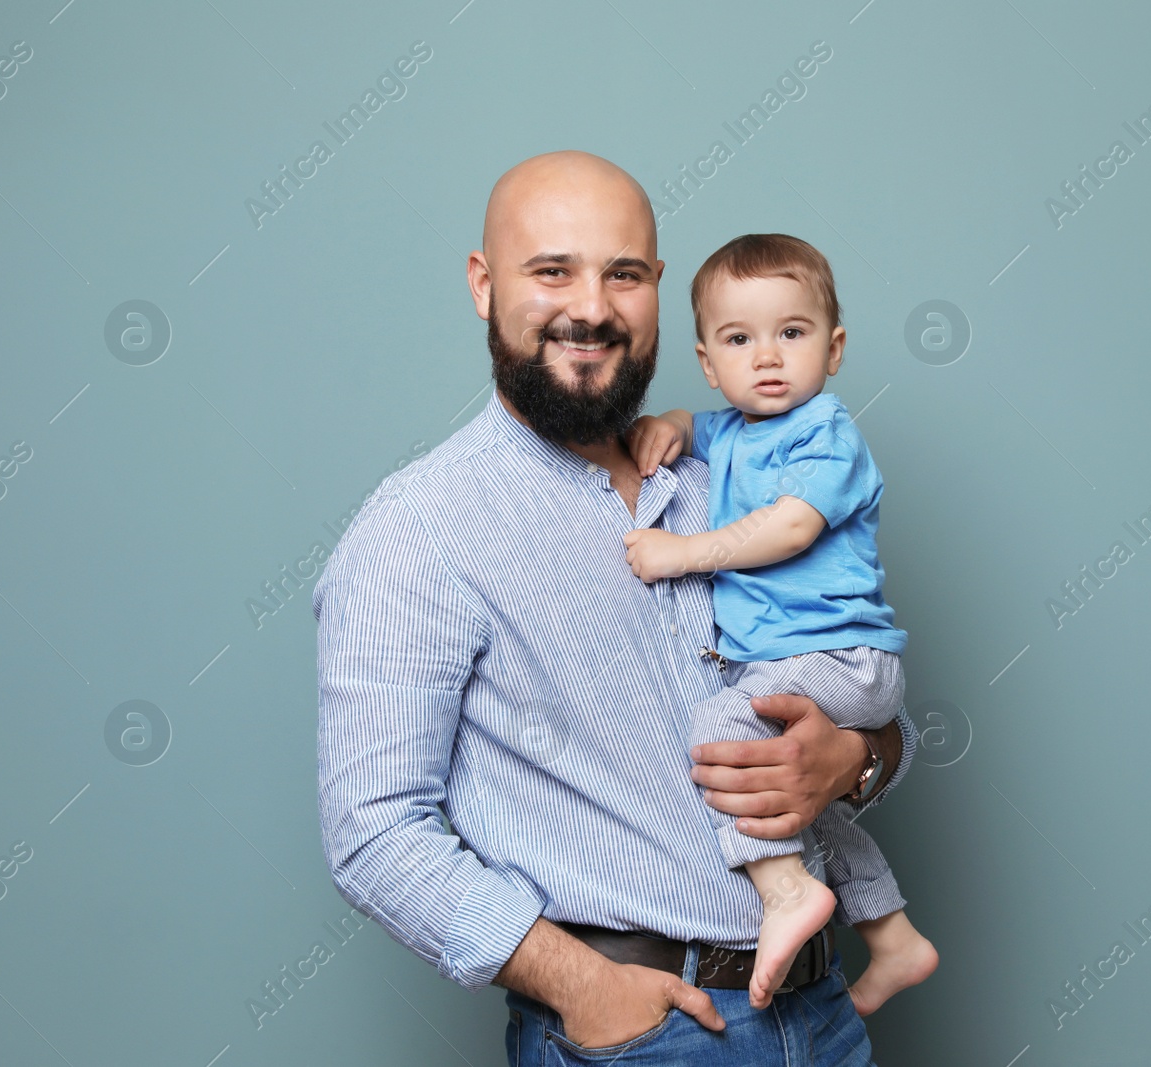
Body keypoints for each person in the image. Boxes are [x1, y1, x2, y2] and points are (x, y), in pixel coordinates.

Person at [313, 151, 917, 1066]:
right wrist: (582, 985)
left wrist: (854, 762)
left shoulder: (737, 476)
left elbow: (874, 701)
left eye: (622, 274)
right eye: (551, 270)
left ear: (658, 291)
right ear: (484, 285)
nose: (590, 307)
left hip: (825, 1016)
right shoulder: (419, 532)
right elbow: (373, 831)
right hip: (643, 1039)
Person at [623, 234, 938, 1014]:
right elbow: (695, 431)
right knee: (802, 803)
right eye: (739, 339)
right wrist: (667, 422)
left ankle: (786, 891)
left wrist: (684, 552)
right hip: (802, 665)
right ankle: (894, 936)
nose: (766, 357)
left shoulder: (824, 432)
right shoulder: (728, 430)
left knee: (724, 724)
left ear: (832, 350)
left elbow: (793, 527)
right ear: (708, 362)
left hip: (843, 657)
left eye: (791, 333)